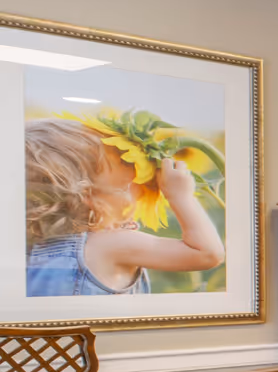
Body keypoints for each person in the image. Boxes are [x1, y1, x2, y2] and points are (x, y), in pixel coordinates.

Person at [24, 117, 224, 296]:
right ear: (88, 195)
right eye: (128, 183)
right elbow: (207, 254)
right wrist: (181, 196)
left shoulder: (28, 249)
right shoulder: (111, 244)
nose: (142, 188)